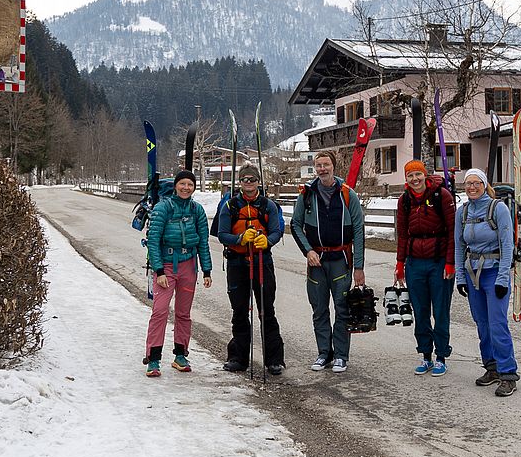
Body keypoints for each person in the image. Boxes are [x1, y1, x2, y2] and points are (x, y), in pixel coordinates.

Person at [291, 150, 366, 373]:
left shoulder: (347, 194)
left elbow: (358, 231)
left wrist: (359, 267)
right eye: (318, 165)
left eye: (326, 165)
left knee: (343, 309)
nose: (322, 169)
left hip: (341, 260)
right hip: (316, 263)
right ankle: (324, 353)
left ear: (334, 167)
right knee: (319, 309)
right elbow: (295, 225)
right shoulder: (306, 194)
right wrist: (307, 251)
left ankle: (341, 356)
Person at [453, 168, 519, 396]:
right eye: (468, 183)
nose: (471, 187)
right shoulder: (462, 212)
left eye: (476, 183)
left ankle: (508, 373)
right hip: (473, 275)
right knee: (481, 322)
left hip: (494, 273)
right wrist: (461, 277)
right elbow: (459, 246)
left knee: (497, 323)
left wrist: (502, 278)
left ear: (484, 184)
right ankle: (491, 367)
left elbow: (507, 245)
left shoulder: (498, 208)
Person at [216, 163, 286, 374]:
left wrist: (267, 241)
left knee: (267, 310)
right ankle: (238, 358)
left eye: (252, 179)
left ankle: (274, 360)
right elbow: (221, 234)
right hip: (237, 262)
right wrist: (239, 238)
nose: (249, 183)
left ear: (258, 181)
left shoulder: (268, 206)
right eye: (245, 179)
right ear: (240, 181)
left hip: (262, 262)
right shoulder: (229, 206)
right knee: (239, 311)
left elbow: (276, 231)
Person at [144, 169, 212, 377]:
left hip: (188, 266)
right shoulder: (163, 208)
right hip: (166, 265)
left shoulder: (197, 210)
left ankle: (180, 355)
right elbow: (153, 241)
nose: (186, 188)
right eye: (182, 184)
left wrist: (206, 270)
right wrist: (159, 271)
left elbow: (203, 242)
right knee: (160, 311)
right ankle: (153, 358)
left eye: (190, 185)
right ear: (175, 185)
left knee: (183, 313)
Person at [394, 160, 456, 377]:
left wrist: (450, 262)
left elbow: (452, 232)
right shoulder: (405, 201)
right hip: (415, 263)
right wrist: (400, 264)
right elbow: (402, 234)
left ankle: (441, 356)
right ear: (406, 179)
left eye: (418, 175)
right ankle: (425, 354)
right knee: (420, 311)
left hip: (439, 262)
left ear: (425, 175)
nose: (415, 180)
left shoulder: (442, 196)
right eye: (410, 176)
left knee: (440, 311)